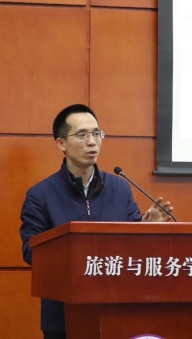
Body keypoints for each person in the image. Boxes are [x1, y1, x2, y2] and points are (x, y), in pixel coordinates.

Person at [19, 104, 174, 339]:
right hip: (63, 318)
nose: (92, 142)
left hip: (117, 311)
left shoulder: (120, 188)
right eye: (82, 135)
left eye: (96, 133)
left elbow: (133, 251)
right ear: (61, 143)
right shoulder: (40, 195)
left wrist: (145, 228)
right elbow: (32, 252)